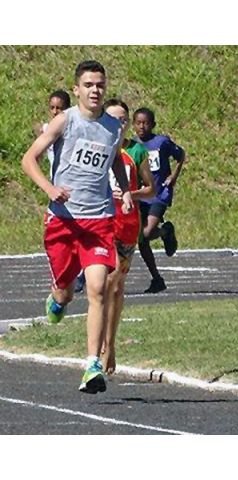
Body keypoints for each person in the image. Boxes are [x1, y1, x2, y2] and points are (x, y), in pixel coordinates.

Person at [21, 60, 132, 394]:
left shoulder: (114, 128)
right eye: (88, 85)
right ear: (77, 90)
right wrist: (50, 189)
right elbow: (29, 160)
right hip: (63, 221)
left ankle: (91, 365)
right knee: (66, 292)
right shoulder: (64, 122)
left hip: (98, 220)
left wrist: (125, 190)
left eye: (100, 84)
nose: (95, 90)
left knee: (98, 288)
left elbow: (114, 160)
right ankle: (57, 300)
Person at [101, 98, 155, 375]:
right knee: (105, 283)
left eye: (124, 119)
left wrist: (129, 195)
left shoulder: (135, 151)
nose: (120, 124)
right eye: (114, 118)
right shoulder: (97, 146)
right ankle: (100, 347)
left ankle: (110, 343)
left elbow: (151, 189)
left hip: (127, 225)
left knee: (117, 287)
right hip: (100, 223)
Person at [132, 107, 186, 294]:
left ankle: (165, 231)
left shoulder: (161, 142)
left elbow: (181, 155)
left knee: (146, 233)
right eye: (138, 123)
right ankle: (157, 279)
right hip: (141, 196)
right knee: (141, 240)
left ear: (153, 124)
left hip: (159, 194)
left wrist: (174, 176)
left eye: (146, 123)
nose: (142, 127)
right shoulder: (133, 146)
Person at [33, 90, 72, 171]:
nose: (55, 112)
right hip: (55, 179)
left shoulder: (74, 130)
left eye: (59, 108)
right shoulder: (45, 130)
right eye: (52, 108)